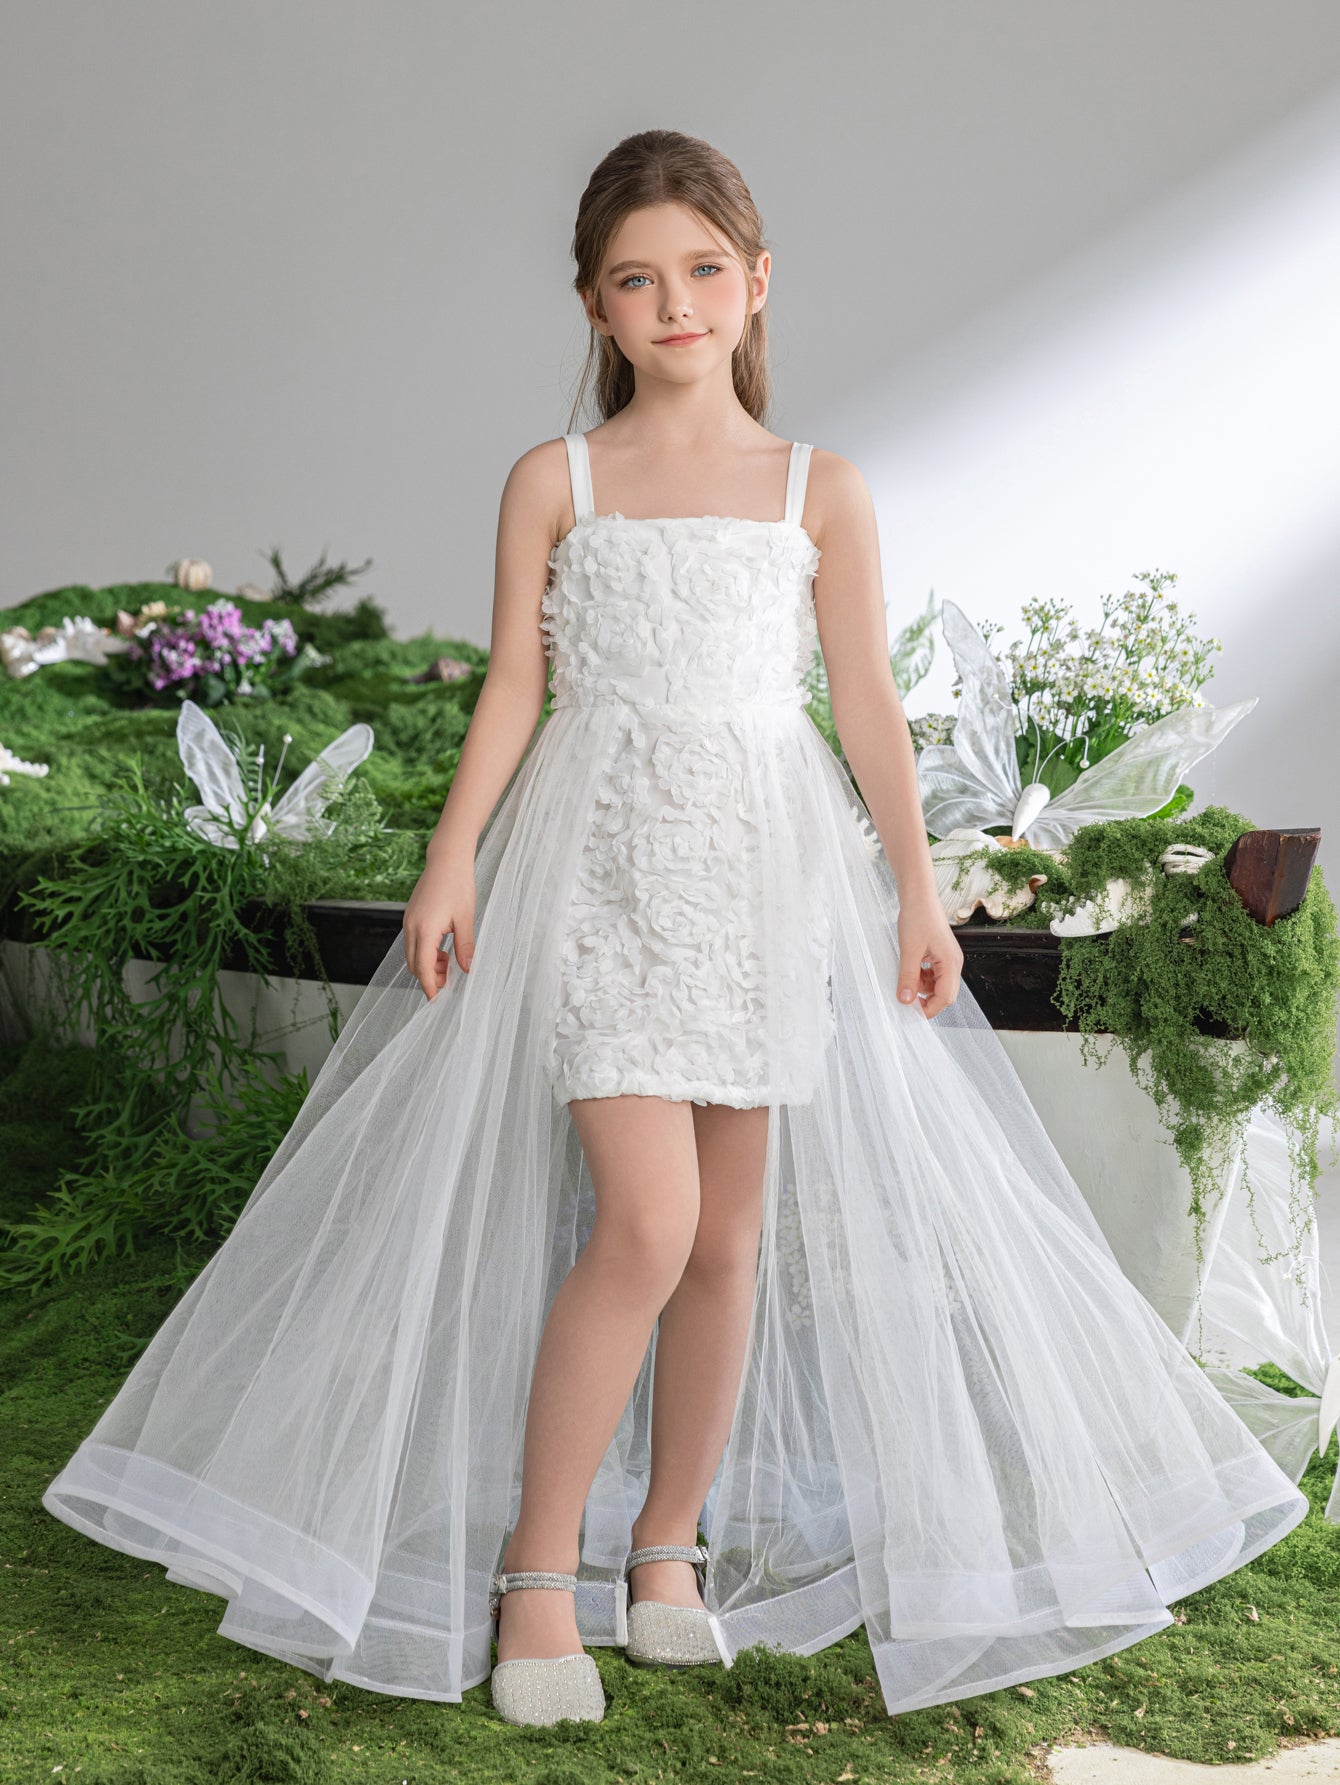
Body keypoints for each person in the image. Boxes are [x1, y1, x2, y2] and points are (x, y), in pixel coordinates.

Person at [43, 128, 1308, 1731]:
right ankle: (537, 1566)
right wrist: (452, 862)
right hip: (605, 867)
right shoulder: (556, 481)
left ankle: (665, 1550)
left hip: (767, 874)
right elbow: (516, 684)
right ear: (595, 303)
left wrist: (918, 891)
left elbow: (863, 700)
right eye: (637, 280)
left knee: (724, 1239)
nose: (676, 303)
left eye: (704, 271)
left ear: (757, 280)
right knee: (643, 1221)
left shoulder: (818, 488)